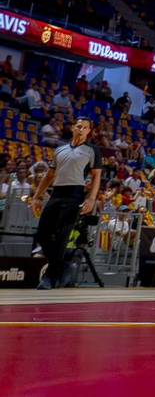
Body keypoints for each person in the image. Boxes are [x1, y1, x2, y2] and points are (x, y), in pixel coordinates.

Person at [31, 117, 102, 290]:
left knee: (62, 236)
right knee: (42, 233)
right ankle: (62, 265)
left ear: (89, 131)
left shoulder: (92, 150)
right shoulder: (60, 149)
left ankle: (50, 276)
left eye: (85, 128)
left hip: (75, 194)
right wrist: (37, 196)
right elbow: (49, 175)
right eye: (79, 126)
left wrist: (91, 199)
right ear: (72, 128)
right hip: (57, 193)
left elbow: (96, 176)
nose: (81, 130)